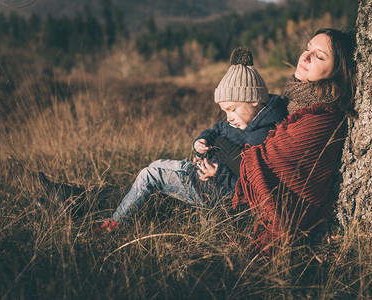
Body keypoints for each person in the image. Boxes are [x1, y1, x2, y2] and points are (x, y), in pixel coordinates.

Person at [39, 47, 288, 234]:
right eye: (225, 111)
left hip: (216, 194)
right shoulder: (244, 119)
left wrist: (218, 172)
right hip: (204, 178)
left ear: (255, 99)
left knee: (150, 176)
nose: (229, 118)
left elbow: (255, 187)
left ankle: (107, 222)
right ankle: (71, 198)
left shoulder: (267, 137)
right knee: (147, 184)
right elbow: (218, 129)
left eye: (232, 109)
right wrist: (202, 140)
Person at [231, 28, 357, 253]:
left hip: (255, 201)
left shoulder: (322, 116)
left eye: (319, 56)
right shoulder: (295, 98)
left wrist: (219, 150)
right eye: (308, 48)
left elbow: (271, 165)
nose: (305, 56)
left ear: (339, 69)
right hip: (241, 187)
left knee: (156, 175)